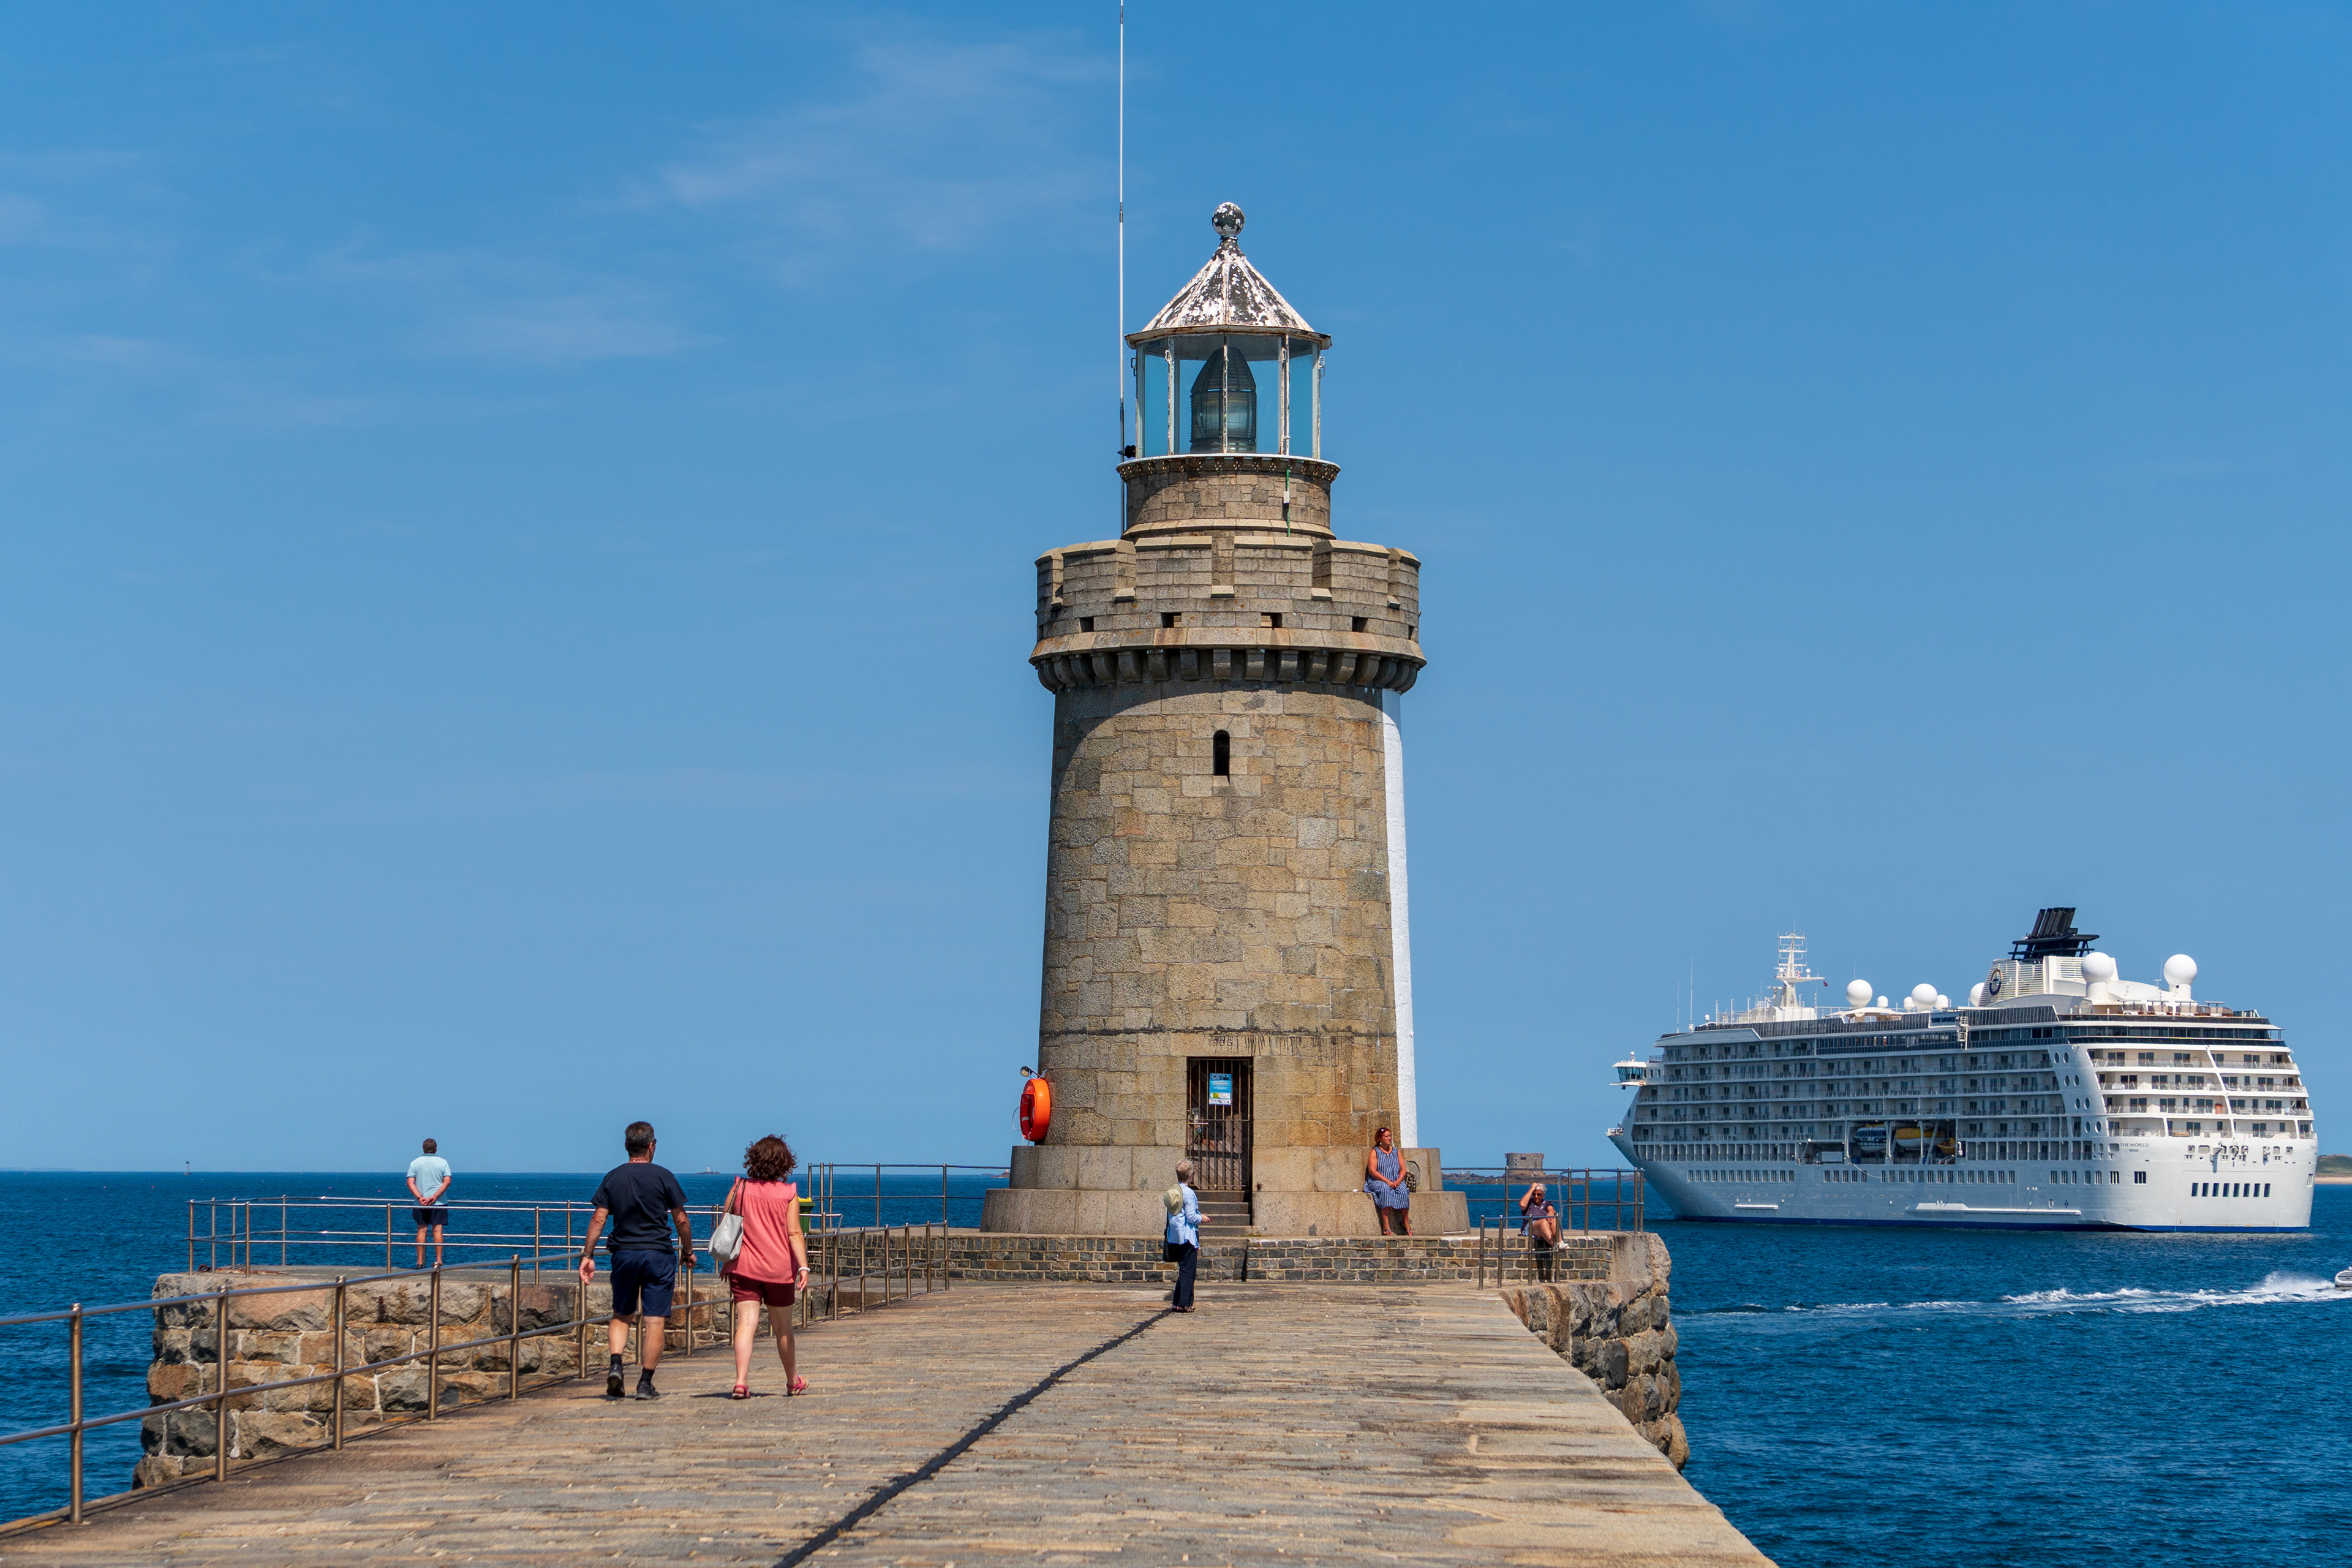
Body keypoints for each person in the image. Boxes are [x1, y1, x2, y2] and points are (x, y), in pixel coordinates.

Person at [578, 1121, 694, 1400]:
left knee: (621, 1315)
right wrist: (688, 1251)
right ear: (652, 1145)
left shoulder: (613, 1178)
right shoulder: (664, 1176)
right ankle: (645, 1383)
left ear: (627, 1146)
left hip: (624, 1255)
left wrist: (588, 1255)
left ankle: (616, 1365)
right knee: (654, 1321)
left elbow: (598, 1219)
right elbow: (681, 1219)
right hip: (658, 1255)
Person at [720, 1134, 810, 1399]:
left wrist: (727, 1263)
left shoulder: (740, 1188)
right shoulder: (788, 1193)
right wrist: (803, 1267)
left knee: (746, 1324)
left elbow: (726, 1225)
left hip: (744, 1268)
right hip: (779, 1270)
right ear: (785, 1163)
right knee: (783, 1329)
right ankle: (793, 1381)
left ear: (754, 1159)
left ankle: (740, 1382)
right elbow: (795, 1233)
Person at [1163, 1159, 1204, 1312]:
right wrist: (1203, 1218)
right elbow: (1192, 1217)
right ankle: (1184, 1303)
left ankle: (1176, 1302)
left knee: (1183, 1270)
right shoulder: (1189, 1193)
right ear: (1190, 1176)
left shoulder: (1172, 1192)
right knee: (1188, 1272)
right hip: (1187, 1236)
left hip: (1174, 1236)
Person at [406, 1139, 452, 1267]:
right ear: (436, 1148)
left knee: (421, 1230)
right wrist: (435, 1196)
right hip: (439, 1202)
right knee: (438, 1231)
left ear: (423, 1148)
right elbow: (447, 1181)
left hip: (420, 1203)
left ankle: (420, 1262)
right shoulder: (443, 1163)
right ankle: (439, 1261)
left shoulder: (415, 1163)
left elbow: (410, 1183)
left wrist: (420, 1197)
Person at [1365, 1126, 1412, 1235]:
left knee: (1403, 1191)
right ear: (1380, 1139)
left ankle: (1405, 1222)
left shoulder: (1396, 1152)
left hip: (1395, 1181)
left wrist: (1399, 1181)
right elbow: (1373, 1171)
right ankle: (1386, 1224)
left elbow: (1403, 1169)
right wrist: (1387, 1181)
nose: (1389, 1138)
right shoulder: (1375, 1152)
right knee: (1385, 1190)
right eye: (1387, 1136)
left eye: (1390, 1136)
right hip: (1378, 1181)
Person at [1520, 1181, 1560, 1278]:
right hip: (1530, 1227)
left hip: (1544, 1226)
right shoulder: (1528, 1202)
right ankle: (1554, 1244)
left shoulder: (1547, 1203)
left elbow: (1551, 1209)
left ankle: (1560, 1242)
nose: (1536, 1196)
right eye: (1534, 1194)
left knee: (1553, 1218)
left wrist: (1551, 1212)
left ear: (1543, 1195)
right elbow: (1522, 1205)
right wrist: (1532, 1188)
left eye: (1539, 1195)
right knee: (1543, 1222)